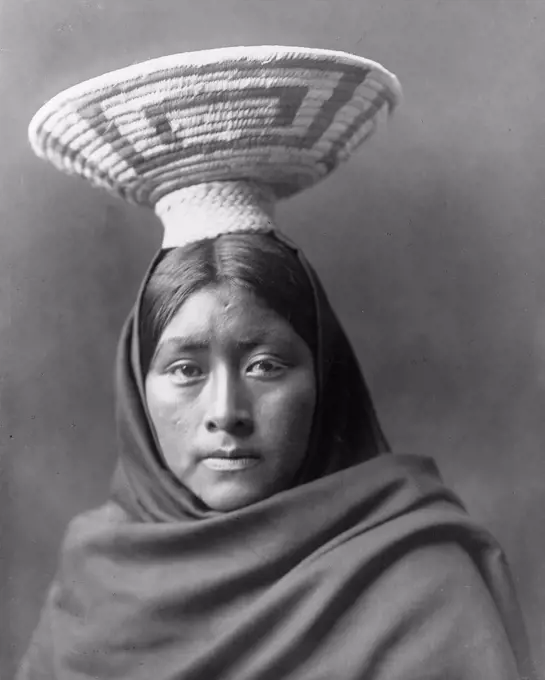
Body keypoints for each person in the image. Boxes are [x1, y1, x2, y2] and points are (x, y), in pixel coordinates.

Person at [18, 46, 536, 679]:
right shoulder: (92, 583)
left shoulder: (419, 589)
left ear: (324, 377)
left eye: (265, 365)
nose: (226, 413)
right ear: (137, 386)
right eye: (185, 369)